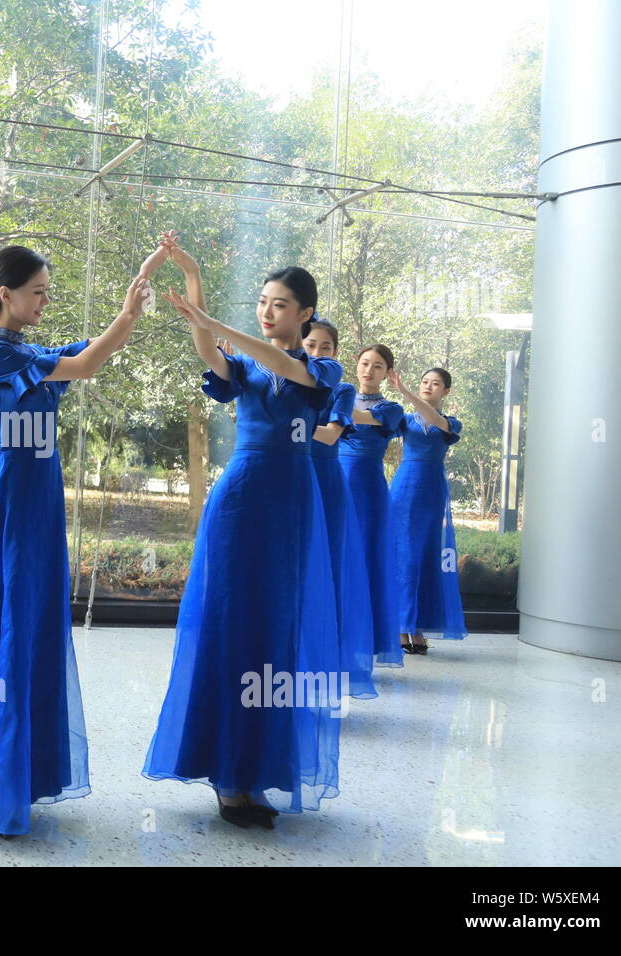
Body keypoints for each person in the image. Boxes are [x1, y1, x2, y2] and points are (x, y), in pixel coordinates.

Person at [0, 245, 149, 838]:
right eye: (37, 290)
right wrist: (127, 316)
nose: (45, 300)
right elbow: (86, 365)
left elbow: (82, 356)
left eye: (47, 291)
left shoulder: (24, 351)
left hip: (38, 502)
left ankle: (18, 779)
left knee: (30, 629)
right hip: (13, 498)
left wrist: (124, 315)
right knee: (7, 632)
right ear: (5, 294)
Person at [143, 265, 343, 830]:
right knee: (234, 625)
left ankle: (255, 775)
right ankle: (229, 780)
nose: (267, 311)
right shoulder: (246, 363)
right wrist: (196, 281)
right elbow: (210, 350)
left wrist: (218, 323)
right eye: (262, 302)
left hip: (292, 502)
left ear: (305, 313)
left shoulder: (320, 367)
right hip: (240, 500)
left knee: (277, 630)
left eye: (279, 305)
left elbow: (285, 365)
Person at [303, 319, 377, 697]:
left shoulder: (342, 389)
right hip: (291, 479)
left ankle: (320, 676)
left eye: (326, 347)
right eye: (311, 345)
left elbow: (331, 435)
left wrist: (290, 424)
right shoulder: (286, 382)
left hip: (327, 483)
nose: (317, 353)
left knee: (326, 575)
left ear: (335, 353)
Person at [389, 367, 467, 653]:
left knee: (423, 558)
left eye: (435, 384)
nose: (428, 387)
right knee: (403, 557)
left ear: (446, 391)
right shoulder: (404, 420)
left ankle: (417, 627)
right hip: (403, 489)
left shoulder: (451, 423)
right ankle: (400, 627)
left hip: (431, 492)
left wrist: (405, 392)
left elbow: (435, 420)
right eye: (424, 382)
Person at [337, 345, 406, 667]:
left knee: (364, 561)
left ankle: (362, 641)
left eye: (377, 366)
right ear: (356, 364)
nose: (369, 370)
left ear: (386, 373)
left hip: (368, 492)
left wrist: (326, 401)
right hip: (334, 482)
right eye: (365, 363)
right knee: (334, 560)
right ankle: (332, 637)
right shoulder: (338, 395)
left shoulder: (391, 409)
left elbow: (359, 417)